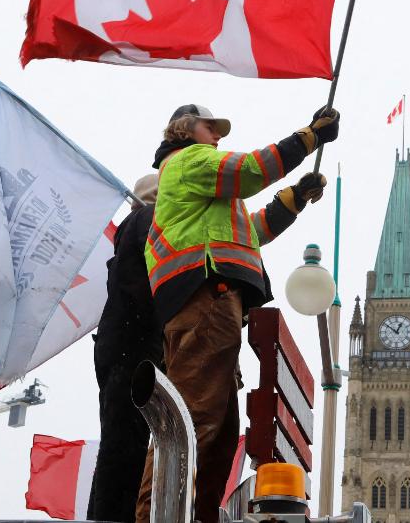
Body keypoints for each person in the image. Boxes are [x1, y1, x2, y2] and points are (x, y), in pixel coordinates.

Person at [135, 104, 339, 523]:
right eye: (211, 127)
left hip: (206, 302)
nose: (218, 136)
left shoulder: (204, 200)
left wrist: (295, 198)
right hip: (206, 297)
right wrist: (308, 137)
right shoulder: (189, 160)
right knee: (193, 421)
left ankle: (198, 515)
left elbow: (252, 231)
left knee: (219, 432)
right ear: (186, 130)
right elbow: (249, 171)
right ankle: (155, 517)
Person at [87, 174, 162, 523]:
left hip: (121, 349)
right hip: (134, 351)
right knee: (126, 448)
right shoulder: (149, 221)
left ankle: (107, 515)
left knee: (119, 446)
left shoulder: (130, 230)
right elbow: (153, 292)